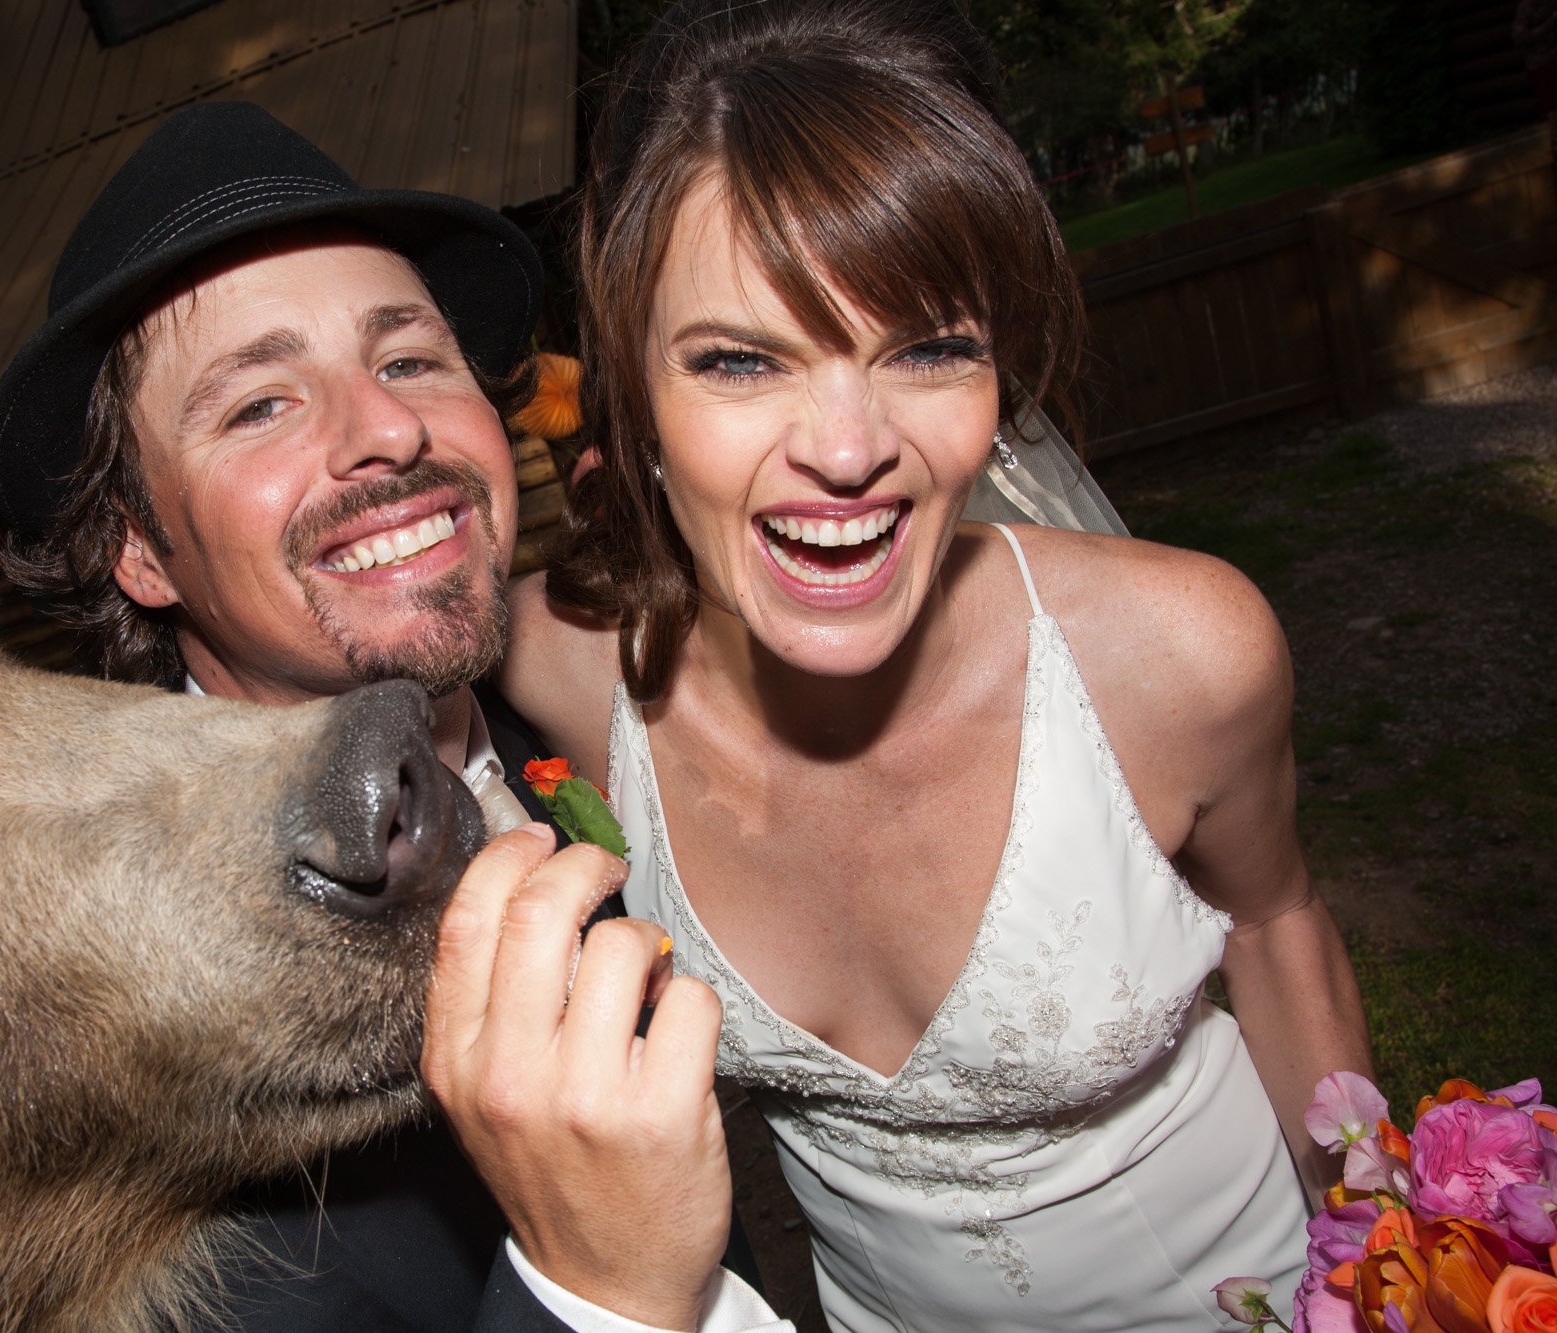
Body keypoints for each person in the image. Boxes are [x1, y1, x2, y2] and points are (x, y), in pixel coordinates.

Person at [500, 2, 1375, 1329]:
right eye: (740, 359)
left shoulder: (1182, 656)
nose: (849, 448)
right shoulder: (562, 675)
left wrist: (1374, 1256)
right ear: (636, 405)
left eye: (927, 348)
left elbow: (1273, 920)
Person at [0, 102, 776, 1331]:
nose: (389, 429)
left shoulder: (558, 726)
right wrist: (601, 1293)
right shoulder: (120, 1054)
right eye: (258, 405)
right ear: (138, 547)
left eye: (407, 360)